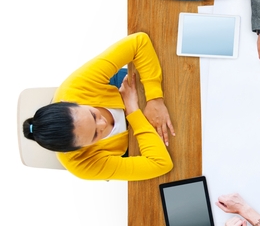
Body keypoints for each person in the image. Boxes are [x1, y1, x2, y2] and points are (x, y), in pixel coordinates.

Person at [22, 33, 174, 181]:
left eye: (93, 115)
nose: (103, 124)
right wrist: (133, 111)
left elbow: (139, 42)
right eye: (95, 134)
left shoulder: (75, 87)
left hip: (123, 89)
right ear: (78, 149)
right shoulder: (80, 164)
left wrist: (155, 99)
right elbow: (161, 164)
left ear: (68, 102)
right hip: (132, 140)